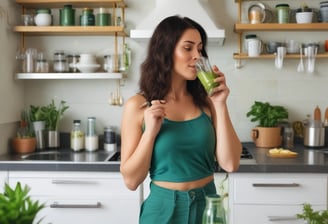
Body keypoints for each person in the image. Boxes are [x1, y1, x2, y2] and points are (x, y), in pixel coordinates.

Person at [120, 15, 242, 224]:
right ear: (166, 52)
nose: (197, 55)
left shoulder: (208, 101)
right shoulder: (138, 106)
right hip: (162, 211)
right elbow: (131, 181)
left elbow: (230, 163)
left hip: (207, 208)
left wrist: (221, 104)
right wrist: (150, 132)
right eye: (188, 48)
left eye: (200, 48)